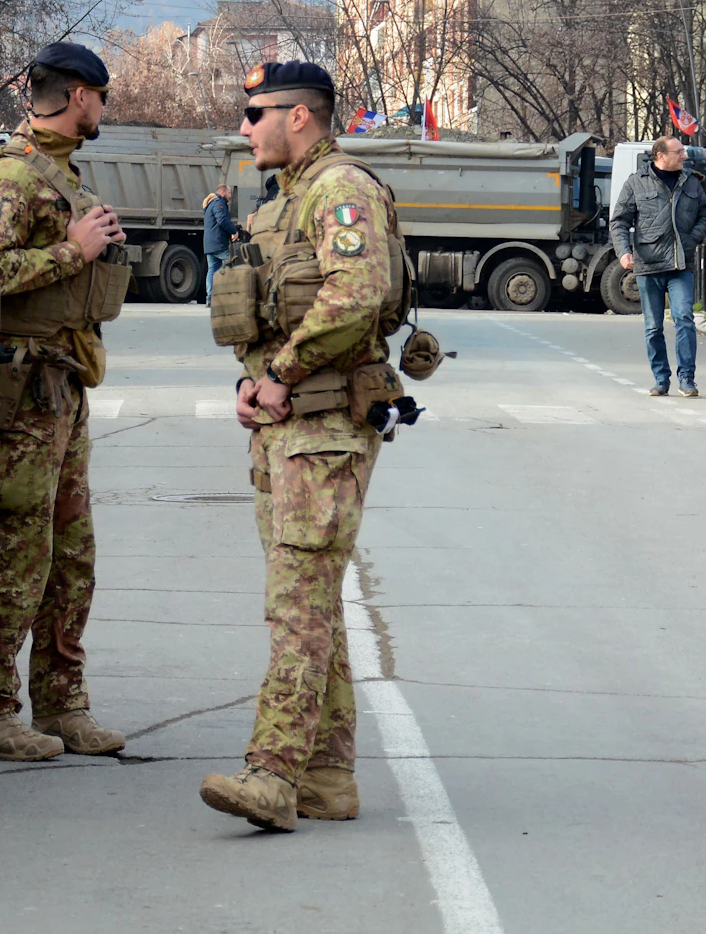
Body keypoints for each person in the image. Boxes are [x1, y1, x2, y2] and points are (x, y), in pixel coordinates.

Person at [199, 61, 409, 833]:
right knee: (313, 602)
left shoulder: (337, 188)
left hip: (322, 427)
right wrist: (256, 381)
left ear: (300, 116)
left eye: (256, 112)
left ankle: (273, 773)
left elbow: (353, 296)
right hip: (289, 425)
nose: (246, 125)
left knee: (297, 607)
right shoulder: (286, 199)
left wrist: (281, 373)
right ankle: (326, 774)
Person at [0, 41, 130, 762]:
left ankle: (61, 701)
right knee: (18, 552)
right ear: (80, 94)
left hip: (62, 383)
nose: (101, 110)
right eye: (102, 97)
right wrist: (74, 252)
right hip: (21, 388)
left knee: (71, 556)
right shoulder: (8, 175)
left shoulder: (59, 173)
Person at [610, 136, 706, 397]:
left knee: (684, 319)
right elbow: (619, 221)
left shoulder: (691, 181)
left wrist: (691, 239)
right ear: (660, 155)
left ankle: (687, 378)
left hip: (681, 264)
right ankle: (661, 378)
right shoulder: (636, 182)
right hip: (648, 265)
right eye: (679, 152)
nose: (684, 156)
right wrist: (623, 252)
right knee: (653, 327)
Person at [203, 183, 240, 301]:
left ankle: (210, 298)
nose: (230, 196)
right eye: (229, 193)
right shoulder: (219, 203)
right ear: (223, 192)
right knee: (233, 265)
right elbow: (222, 220)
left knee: (212, 270)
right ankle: (232, 296)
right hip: (218, 243)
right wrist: (234, 231)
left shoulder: (210, 204)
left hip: (210, 243)